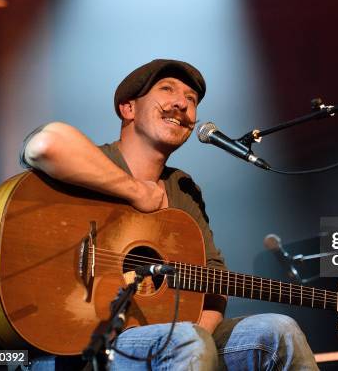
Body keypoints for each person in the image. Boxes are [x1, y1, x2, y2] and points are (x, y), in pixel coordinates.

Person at [20, 59, 319, 370]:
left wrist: (200, 334)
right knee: (187, 341)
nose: (182, 104)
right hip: (76, 341)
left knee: (279, 331)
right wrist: (137, 191)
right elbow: (44, 144)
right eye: (167, 90)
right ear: (128, 109)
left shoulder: (183, 189)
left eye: (191, 100)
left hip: (173, 338)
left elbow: (214, 283)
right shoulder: (93, 162)